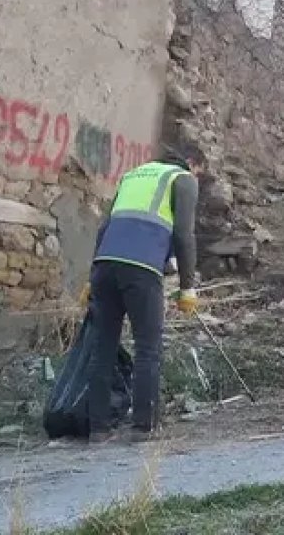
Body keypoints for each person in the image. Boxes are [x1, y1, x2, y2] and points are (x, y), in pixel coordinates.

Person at [80, 144, 205, 443]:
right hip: (141, 269)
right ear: (191, 162)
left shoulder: (133, 176)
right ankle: (143, 427)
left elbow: (106, 227)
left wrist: (91, 277)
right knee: (148, 348)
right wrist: (187, 287)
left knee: (103, 347)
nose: (197, 177)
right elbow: (184, 235)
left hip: (105, 265)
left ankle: (98, 428)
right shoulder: (182, 179)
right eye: (199, 171)